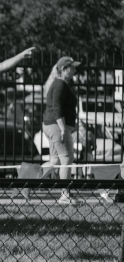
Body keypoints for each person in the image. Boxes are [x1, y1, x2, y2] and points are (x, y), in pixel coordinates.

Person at [42, 56, 81, 205]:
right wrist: (63, 128)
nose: (75, 70)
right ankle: (65, 196)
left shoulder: (59, 83)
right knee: (66, 159)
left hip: (52, 125)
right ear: (64, 70)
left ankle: (24, 182)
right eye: (72, 68)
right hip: (57, 126)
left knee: (55, 160)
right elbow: (57, 107)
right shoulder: (60, 84)